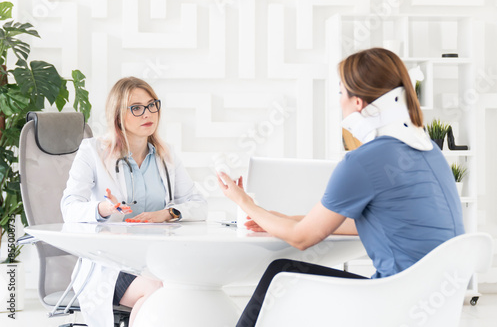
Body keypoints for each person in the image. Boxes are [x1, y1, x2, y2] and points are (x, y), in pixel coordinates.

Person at [218, 47, 465, 327]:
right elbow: (363, 223)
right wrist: (280, 218)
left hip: (395, 303)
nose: (339, 101)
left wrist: (243, 202)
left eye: (340, 92)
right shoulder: (428, 149)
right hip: (437, 306)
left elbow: (302, 239)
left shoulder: (365, 160)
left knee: (280, 274)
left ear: (358, 102)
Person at [61, 76, 207, 327]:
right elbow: (69, 207)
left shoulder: (166, 154)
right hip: (111, 264)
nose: (147, 114)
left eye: (152, 105)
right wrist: (103, 209)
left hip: (159, 260)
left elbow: (198, 204)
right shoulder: (93, 151)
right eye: (136, 108)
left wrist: (167, 213)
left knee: (191, 290)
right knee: (158, 290)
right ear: (118, 115)